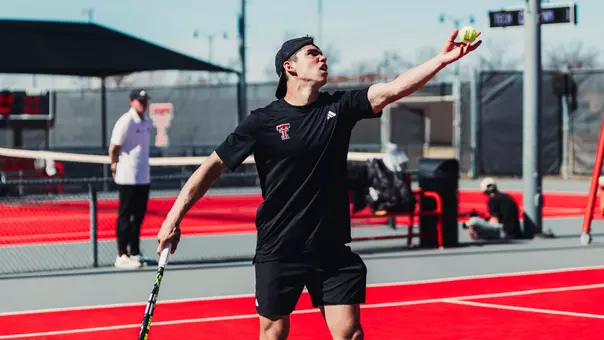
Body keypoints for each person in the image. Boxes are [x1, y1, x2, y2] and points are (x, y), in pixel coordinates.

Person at [157, 30, 481, 339]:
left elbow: (393, 88)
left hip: (330, 249)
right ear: (290, 67)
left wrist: (442, 60)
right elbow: (212, 167)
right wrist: (173, 218)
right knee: (272, 334)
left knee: (350, 333)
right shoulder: (262, 122)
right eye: (312, 54)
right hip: (279, 248)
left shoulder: (338, 108)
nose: (322, 58)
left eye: (322, 53)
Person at [109, 89, 153, 269]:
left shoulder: (147, 122)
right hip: (127, 177)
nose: (143, 103)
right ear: (132, 101)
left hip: (143, 177)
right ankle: (122, 254)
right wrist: (113, 165)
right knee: (125, 216)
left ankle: (135, 252)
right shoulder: (125, 121)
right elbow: (114, 147)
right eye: (140, 100)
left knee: (139, 216)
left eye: (145, 100)